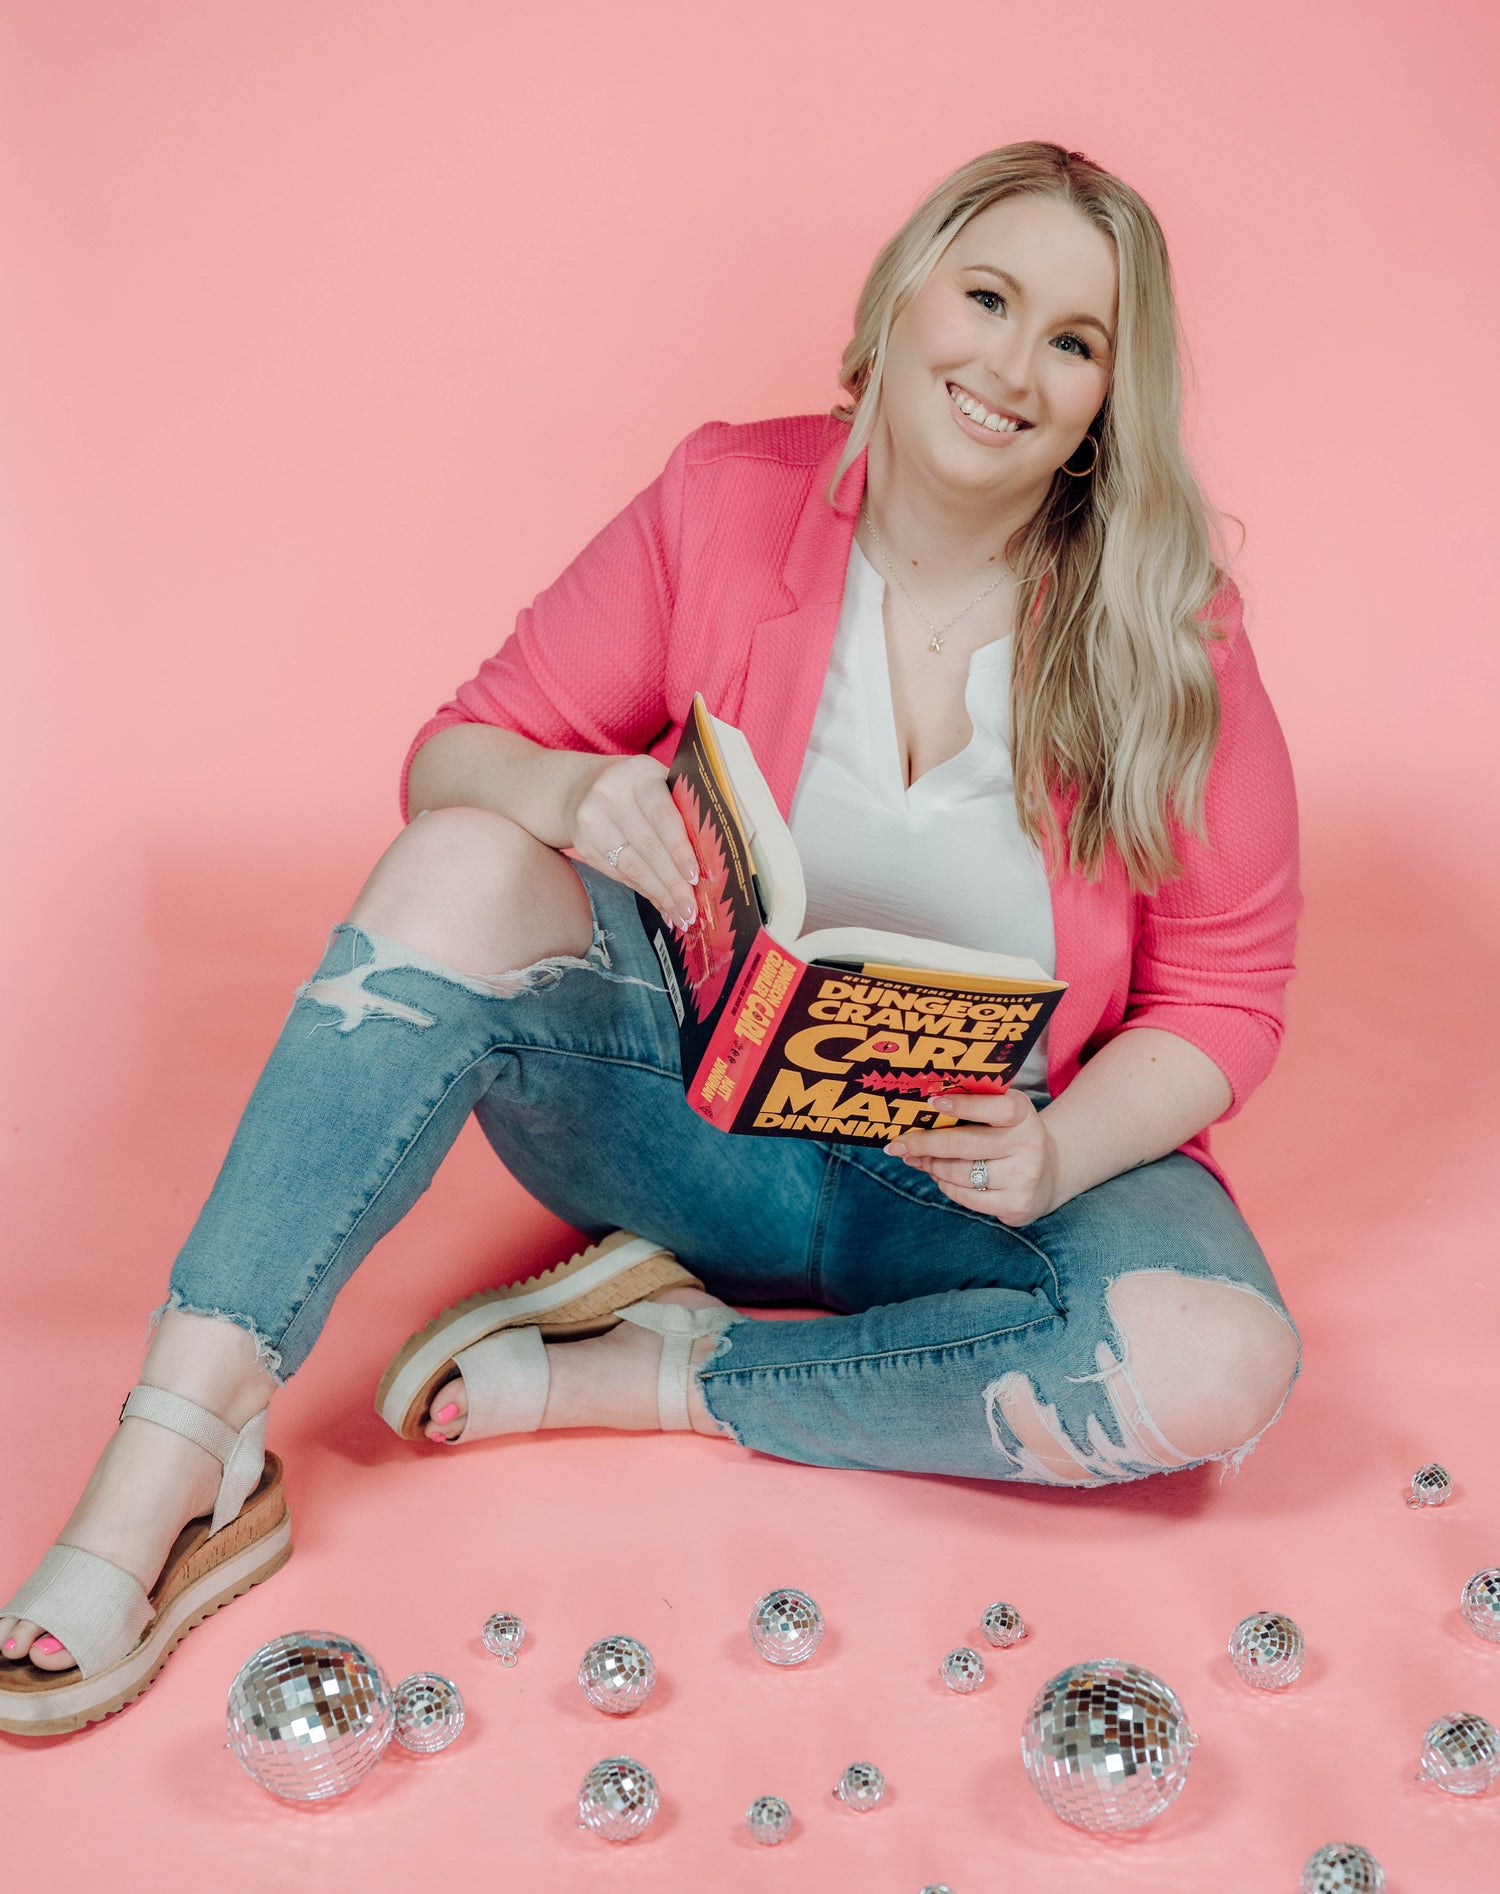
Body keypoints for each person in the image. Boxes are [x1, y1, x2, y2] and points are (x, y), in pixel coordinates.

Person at [0, 140, 1303, 1735]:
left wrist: (1055, 1149)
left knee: (1221, 1362)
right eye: (987, 297)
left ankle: (679, 1371)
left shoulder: (1171, 625)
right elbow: (452, 756)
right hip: (692, 1132)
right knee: (463, 858)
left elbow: (1228, 993)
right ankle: (181, 1453)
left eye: (1074, 340)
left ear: (1111, 397)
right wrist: (571, 788)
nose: (1010, 367)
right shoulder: (725, 496)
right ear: (904, 298)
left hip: (980, 1187)